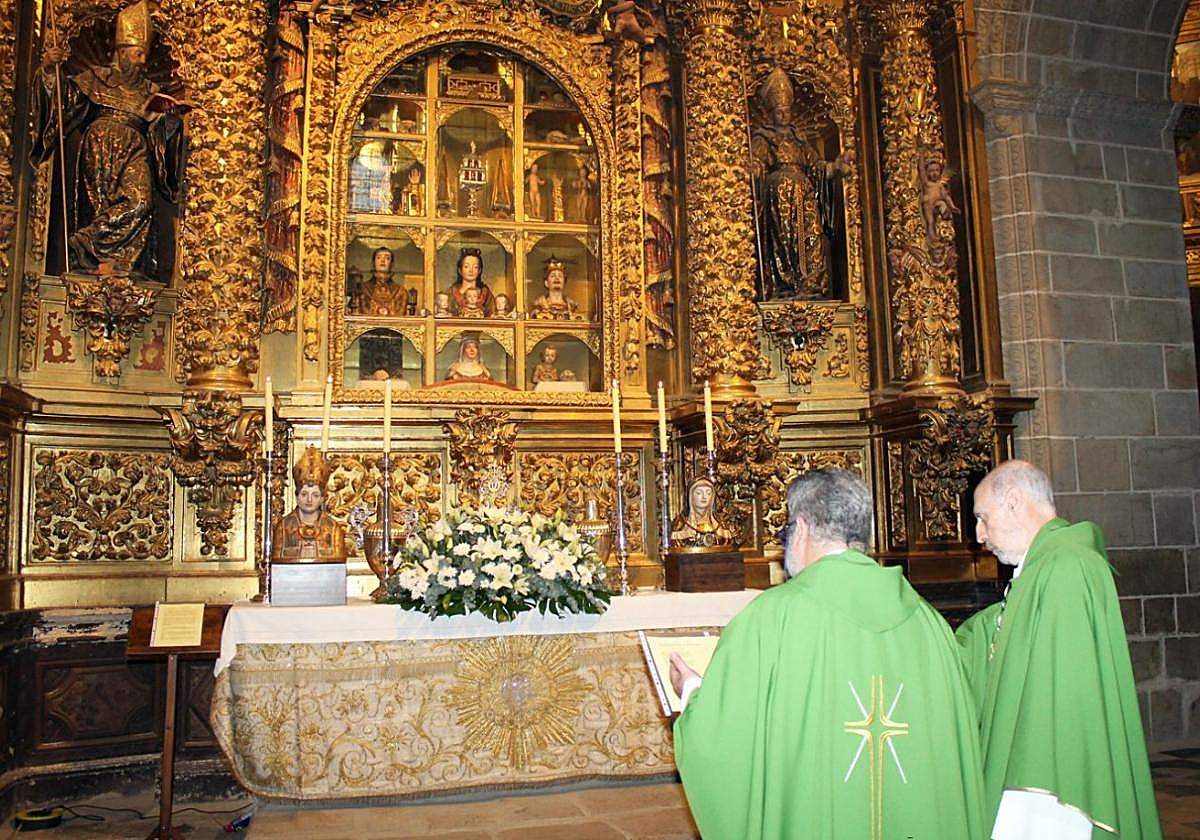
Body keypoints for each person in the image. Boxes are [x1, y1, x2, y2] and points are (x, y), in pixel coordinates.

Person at [670, 468, 985, 839]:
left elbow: (722, 739)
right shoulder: (927, 622)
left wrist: (691, 689)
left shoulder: (771, 618)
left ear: (801, 528)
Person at [956, 460, 1162, 840]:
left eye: (983, 517)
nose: (979, 535)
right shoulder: (1045, 569)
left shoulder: (1065, 567)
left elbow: (1060, 697)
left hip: (1049, 781)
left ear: (1014, 501)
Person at [32, 0, 185, 277]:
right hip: (99, 146)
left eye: (144, 56)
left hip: (136, 148)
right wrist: (48, 71)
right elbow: (61, 105)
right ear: (122, 51)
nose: (142, 62)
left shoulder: (150, 90)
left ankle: (88, 241)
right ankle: (97, 260)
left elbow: (160, 137)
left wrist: (171, 119)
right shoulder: (95, 78)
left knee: (141, 202)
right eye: (138, 54)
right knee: (99, 203)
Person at [750, 66, 844, 301]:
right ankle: (786, 284)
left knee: (810, 234)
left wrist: (834, 168)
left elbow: (816, 167)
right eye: (780, 111)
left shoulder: (800, 139)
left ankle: (811, 282)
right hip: (778, 194)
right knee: (784, 239)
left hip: (804, 194)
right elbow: (758, 164)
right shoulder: (763, 138)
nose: (784, 115)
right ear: (771, 113)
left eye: (787, 110)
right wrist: (755, 168)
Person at [272, 446, 347, 562]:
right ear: (297, 496)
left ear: (322, 498)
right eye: (304, 494)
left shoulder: (334, 528)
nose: (309, 500)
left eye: (315, 495)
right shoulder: (283, 527)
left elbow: (337, 567)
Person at [669, 476, 733, 547]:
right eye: (699, 493)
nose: (704, 497)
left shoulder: (720, 523)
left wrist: (722, 534)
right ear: (691, 496)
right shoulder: (681, 523)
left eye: (708, 493)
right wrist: (684, 534)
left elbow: (727, 544)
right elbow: (673, 543)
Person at [352, 247, 408, 316]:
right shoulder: (363, 289)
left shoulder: (401, 291)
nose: (382, 260)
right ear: (373, 263)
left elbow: (400, 318)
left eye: (387, 258)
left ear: (391, 264)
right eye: (379, 258)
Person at [446, 247, 495, 317]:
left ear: (479, 270)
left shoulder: (485, 294)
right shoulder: (452, 293)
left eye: (475, 267)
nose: (471, 270)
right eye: (466, 266)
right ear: (460, 270)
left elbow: (492, 315)